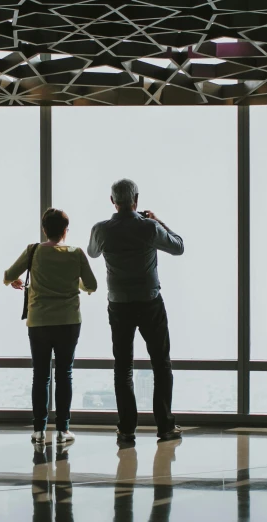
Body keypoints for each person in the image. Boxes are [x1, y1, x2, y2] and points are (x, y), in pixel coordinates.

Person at [87, 179, 184, 443]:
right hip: (150, 302)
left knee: (123, 367)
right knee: (161, 364)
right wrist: (158, 221)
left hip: (119, 305)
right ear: (136, 200)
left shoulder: (101, 230)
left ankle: (127, 428)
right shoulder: (149, 227)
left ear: (112, 201)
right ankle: (165, 426)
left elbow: (92, 253)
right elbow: (178, 246)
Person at [5, 208, 98, 445]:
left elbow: (8, 275)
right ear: (66, 230)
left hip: (39, 323)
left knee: (41, 375)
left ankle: (38, 430)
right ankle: (63, 430)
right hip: (68, 321)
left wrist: (13, 281)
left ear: (44, 229)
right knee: (64, 374)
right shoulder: (76, 253)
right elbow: (92, 285)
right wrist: (75, 283)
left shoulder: (33, 251)